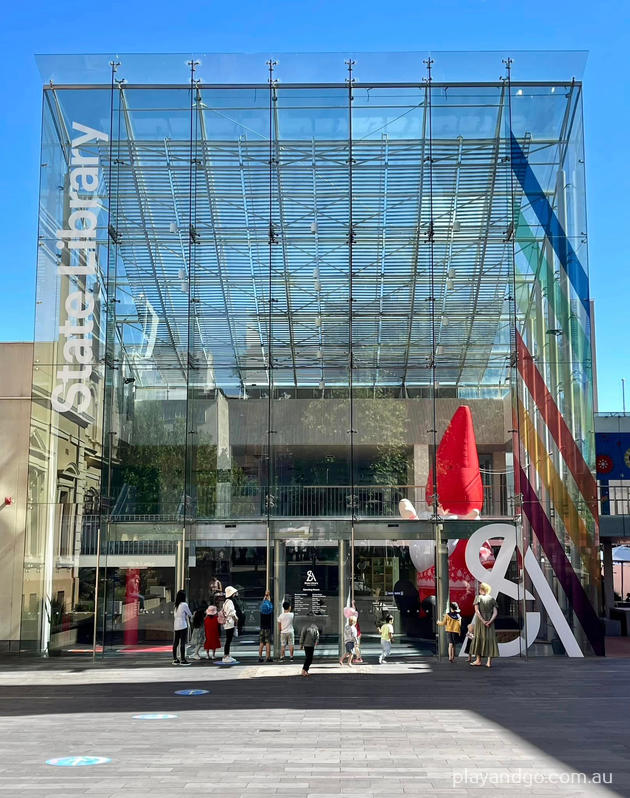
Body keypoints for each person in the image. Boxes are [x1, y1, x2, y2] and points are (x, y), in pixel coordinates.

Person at [470, 582, 499, 668]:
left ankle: (478, 660)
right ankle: (489, 662)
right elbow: (495, 612)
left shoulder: (478, 598)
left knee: (479, 638)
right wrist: (490, 621)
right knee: (490, 640)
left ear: (482, 589)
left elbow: (477, 611)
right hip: (490, 622)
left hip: (480, 622)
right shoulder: (492, 599)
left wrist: (483, 621)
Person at [172, 589, 192, 666]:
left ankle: (175, 659)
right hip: (183, 625)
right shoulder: (184, 604)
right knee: (182, 642)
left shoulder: (176, 605)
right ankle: (183, 659)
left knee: (176, 642)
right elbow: (189, 613)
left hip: (176, 625)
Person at [222, 586, 239, 664]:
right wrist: (236, 619)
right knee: (228, 640)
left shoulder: (225, 602)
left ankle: (227, 655)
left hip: (226, 622)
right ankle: (226, 656)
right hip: (230, 622)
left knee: (228, 640)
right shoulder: (230, 602)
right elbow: (232, 613)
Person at [258, 590, 273, 663]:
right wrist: (269, 601)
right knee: (268, 643)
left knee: (261, 643)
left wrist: (265, 599)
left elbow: (262, 604)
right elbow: (270, 607)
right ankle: (268, 657)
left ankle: (260, 657)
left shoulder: (261, 608)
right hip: (268, 628)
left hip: (262, 628)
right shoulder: (269, 608)